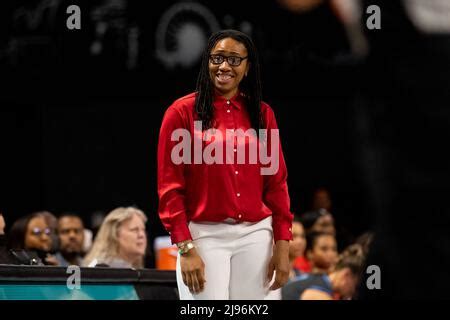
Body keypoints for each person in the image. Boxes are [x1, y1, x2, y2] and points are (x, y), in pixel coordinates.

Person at [157, 29, 293, 299]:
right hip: (203, 235)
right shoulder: (181, 113)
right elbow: (170, 189)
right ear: (207, 61)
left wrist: (282, 246)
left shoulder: (263, 114)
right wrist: (185, 248)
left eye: (234, 59)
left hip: (256, 234)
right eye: (217, 57)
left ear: (247, 67)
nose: (223, 66)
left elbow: (276, 184)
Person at [282, 243, 365, 300]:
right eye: (355, 286)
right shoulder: (321, 293)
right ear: (346, 274)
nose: (353, 292)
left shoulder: (316, 278)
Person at [83, 207, 147, 269]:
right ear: (115, 234)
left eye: (143, 230)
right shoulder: (99, 268)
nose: (141, 235)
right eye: (134, 229)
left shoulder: (134, 269)